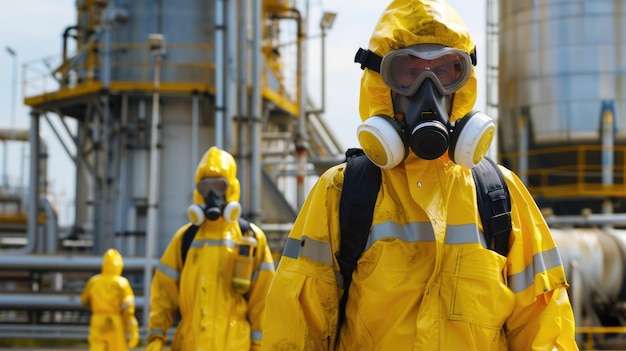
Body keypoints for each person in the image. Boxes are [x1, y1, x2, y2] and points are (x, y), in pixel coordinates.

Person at [261, 0, 578, 350]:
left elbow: (544, 327)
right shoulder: (342, 192)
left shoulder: (499, 194)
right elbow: (296, 328)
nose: (428, 90)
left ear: (463, 83)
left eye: (444, 71)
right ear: (382, 84)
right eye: (408, 73)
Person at [146, 146, 275, 351]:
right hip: (190, 343)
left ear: (231, 187)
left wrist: (259, 345)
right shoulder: (185, 238)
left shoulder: (251, 238)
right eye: (205, 187)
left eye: (219, 186)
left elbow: (264, 301)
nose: (212, 194)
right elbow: (163, 292)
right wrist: (156, 335)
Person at [80, 248, 139, 351]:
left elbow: (84, 300)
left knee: (96, 347)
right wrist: (133, 329)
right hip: (115, 320)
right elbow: (128, 308)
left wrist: (98, 307)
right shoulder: (122, 283)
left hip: (97, 319)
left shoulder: (94, 281)